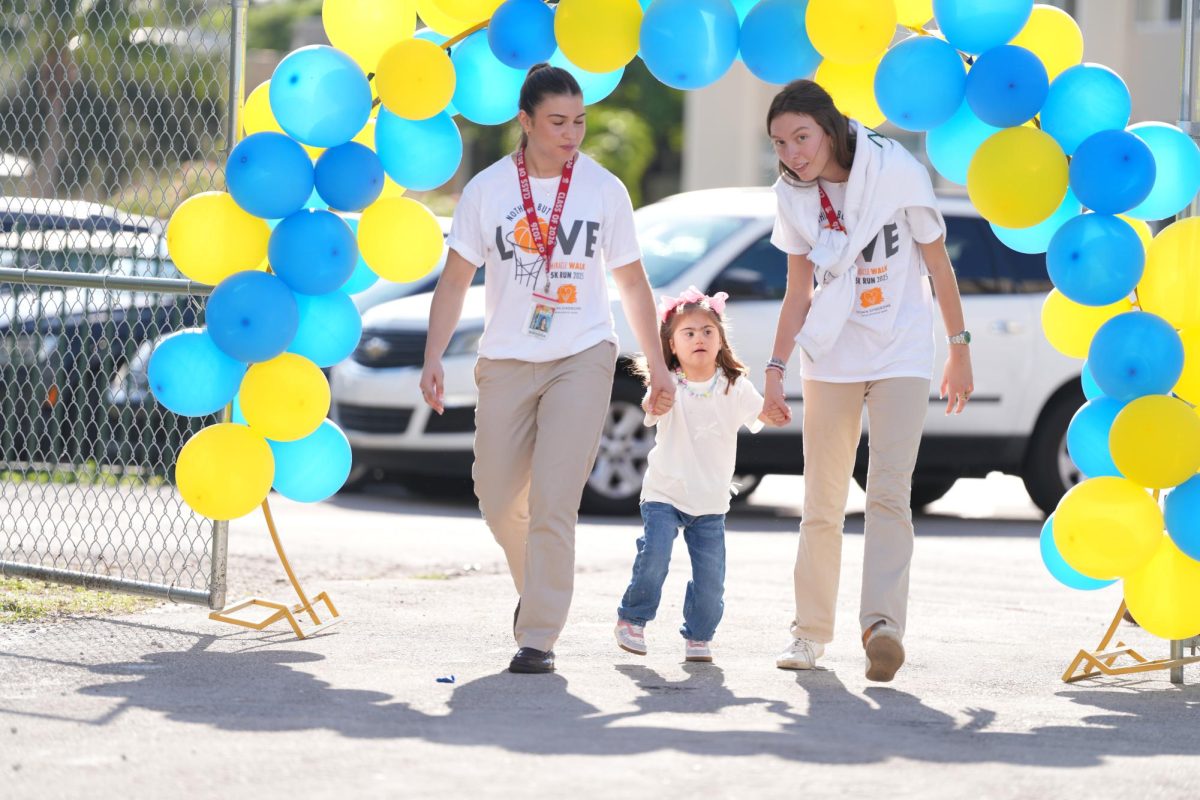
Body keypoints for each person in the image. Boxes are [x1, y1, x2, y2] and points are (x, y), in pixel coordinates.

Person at [419, 64, 674, 675]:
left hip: (582, 356)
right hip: (507, 358)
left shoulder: (603, 189)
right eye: (558, 122)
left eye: (580, 120)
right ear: (526, 121)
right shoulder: (487, 190)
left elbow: (633, 282)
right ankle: (535, 593)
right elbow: (456, 280)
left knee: (556, 501)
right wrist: (433, 354)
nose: (572, 133)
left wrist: (657, 366)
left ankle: (538, 636)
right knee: (499, 499)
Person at [761, 80, 974, 682]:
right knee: (822, 502)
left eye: (801, 136)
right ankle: (808, 634)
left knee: (888, 492)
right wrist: (775, 371)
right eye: (780, 142)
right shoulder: (791, 196)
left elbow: (937, 263)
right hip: (831, 354)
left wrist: (959, 348)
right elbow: (797, 292)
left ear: (829, 129)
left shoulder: (894, 169)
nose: (793, 152)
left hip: (901, 349)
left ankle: (882, 627)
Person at [614, 287, 784, 663]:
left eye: (708, 331)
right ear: (671, 346)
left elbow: (762, 413)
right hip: (664, 492)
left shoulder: (734, 385)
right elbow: (651, 405)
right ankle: (632, 619)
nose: (699, 339)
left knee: (711, 580)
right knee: (655, 555)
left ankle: (699, 636)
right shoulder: (668, 384)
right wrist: (652, 399)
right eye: (688, 333)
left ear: (721, 340)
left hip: (710, 501)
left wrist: (774, 413)